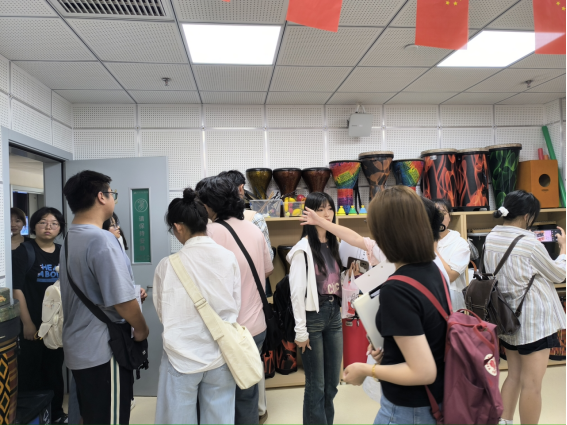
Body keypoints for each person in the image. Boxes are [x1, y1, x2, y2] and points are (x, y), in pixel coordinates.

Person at [341, 186, 450, 425]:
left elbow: (423, 371)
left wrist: (365, 370)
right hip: (436, 400)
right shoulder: (432, 271)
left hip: (409, 410)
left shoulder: (397, 288)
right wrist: (390, 351)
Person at [60, 170, 149, 425]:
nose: (113, 199)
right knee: (111, 418)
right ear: (101, 196)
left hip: (80, 346)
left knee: (91, 415)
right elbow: (122, 301)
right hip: (104, 350)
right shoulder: (102, 239)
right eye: (112, 194)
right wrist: (142, 329)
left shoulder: (71, 237)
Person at [153, 188, 241, 425]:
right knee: (220, 420)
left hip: (180, 356)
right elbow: (235, 304)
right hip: (221, 353)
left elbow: (162, 311)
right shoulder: (228, 257)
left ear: (178, 226)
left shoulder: (167, 265)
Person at [197, 176, 273, 425]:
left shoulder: (210, 233)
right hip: (256, 328)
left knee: (219, 400)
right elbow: (268, 270)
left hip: (226, 332)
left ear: (210, 204)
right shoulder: (254, 229)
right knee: (247, 396)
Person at [485, 191, 566, 425]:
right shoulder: (529, 243)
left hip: (506, 318)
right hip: (533, 322)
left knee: (513, 375)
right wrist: (563, 250)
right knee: (532, 385)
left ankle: (504, 422)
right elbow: (559, 275)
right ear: (528, 216)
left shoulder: (491, 237)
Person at [287, 192, 343, 425]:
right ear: (308, 214)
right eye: (320, 209)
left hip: (334, 315)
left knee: (332, 383)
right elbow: (296, 293)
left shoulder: (335, 243)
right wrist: (300, 331)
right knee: (316, 385)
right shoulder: (302, 249)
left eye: (329, 208)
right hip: (313, 317)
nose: (326, 214)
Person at [12, 207, 67, 424]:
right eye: (43, 222)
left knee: (54, 370)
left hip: (57, 326)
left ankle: (56, 414)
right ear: (34, 226)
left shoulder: (64, 252)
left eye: (54, 223)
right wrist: (27, 323)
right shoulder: (24, 252)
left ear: (60, 228)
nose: (48, 227)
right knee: (30, 370)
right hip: (32, 324)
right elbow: (17, 290)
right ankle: (33, 417)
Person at [432, 199, 470, 311]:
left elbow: (451, 276)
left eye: (443, 213)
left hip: (453, 305)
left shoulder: (460, 243)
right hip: (429, 301)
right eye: (435, 214)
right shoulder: (421, 241)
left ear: (449, 217)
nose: (439, 217)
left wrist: (434, 251)